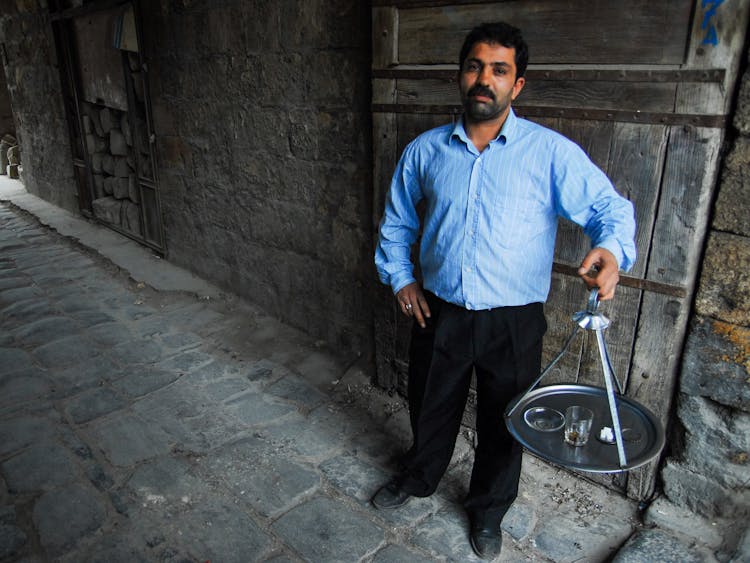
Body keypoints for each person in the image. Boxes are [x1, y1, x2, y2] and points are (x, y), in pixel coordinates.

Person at [372, 21, 637, 560]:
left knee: (506, 419)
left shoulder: (549, 153)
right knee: (429, 406)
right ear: (460, 76)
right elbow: (397, 224)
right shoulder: (425, 152)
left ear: (517, 86)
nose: (484, 80)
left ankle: (488, 511)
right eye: (475, 66)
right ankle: (419, 478)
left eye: (499, 70)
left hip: (513, 321)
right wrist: (401, 280)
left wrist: (610, 251)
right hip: (440, 312)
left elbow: (611, 210)